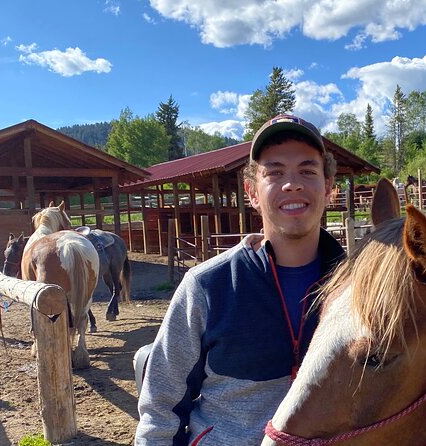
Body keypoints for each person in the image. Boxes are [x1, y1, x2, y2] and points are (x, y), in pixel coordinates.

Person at [135, 114, 345, 445]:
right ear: (251, 192)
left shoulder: (359, 286)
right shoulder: (207, 286)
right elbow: (161, 408)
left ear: (329, 188)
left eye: (307, 170)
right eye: (274, 172)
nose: (292, 183)